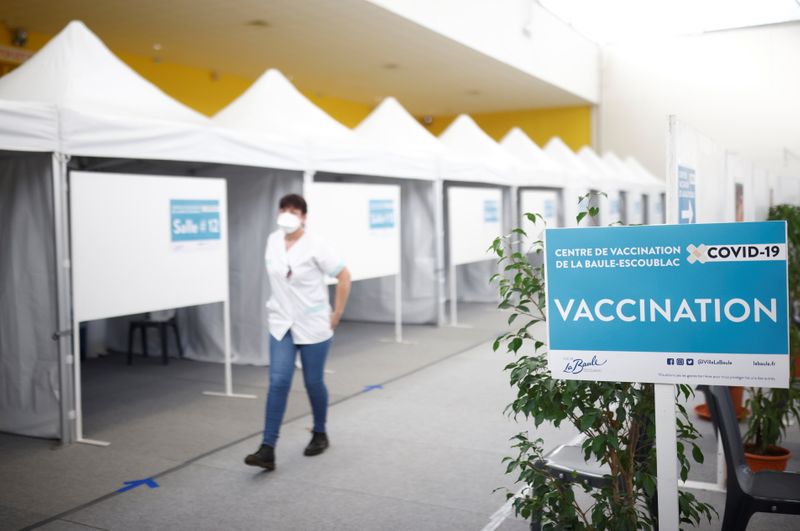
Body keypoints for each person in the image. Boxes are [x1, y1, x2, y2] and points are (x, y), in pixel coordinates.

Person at [245, 193, 351, 470]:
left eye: (295, 210)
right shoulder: (272, 241)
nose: (289, 214)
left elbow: (343, 275)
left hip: (314, 323)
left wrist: (337, 312)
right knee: (278, 381)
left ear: (304, 216)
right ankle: (267, 448)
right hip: (282, 323)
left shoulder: (317, 245)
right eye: (284, 209)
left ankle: (320, 432)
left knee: (313, 383)